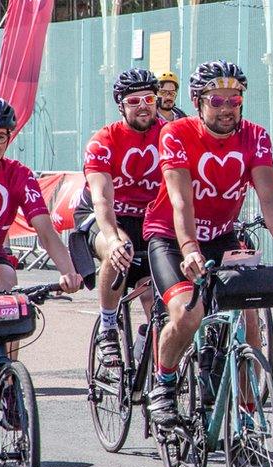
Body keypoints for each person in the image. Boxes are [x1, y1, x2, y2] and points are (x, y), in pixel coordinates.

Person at [143, 60, 273, 429]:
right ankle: (165, 383)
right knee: (188, 313)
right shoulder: (175, 132)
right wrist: (189, 248)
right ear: (198, 101)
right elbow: (180, 200)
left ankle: (248, 413)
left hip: (221, 235)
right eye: (216, 100)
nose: (226, 108)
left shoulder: (255, 136)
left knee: (250, 318)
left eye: (234, 100)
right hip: (172, 236)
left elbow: (269, 198)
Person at [0, 95, 82, 426]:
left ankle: (0, 379)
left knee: (8, 299)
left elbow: (47, 232)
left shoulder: (18, 174)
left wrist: (69, 273)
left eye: (0, 137)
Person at [76, 68, 163, 368]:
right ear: (121, 106)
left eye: (149, 98)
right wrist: (112, 239)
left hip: (148, 218)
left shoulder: (171, 135)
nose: (142, 105)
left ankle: (146, 345)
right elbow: (102, 198)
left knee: (157, 302)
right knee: (120, 251)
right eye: (133, 100)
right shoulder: (104, 140)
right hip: (103, 214)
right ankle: (108, 328)